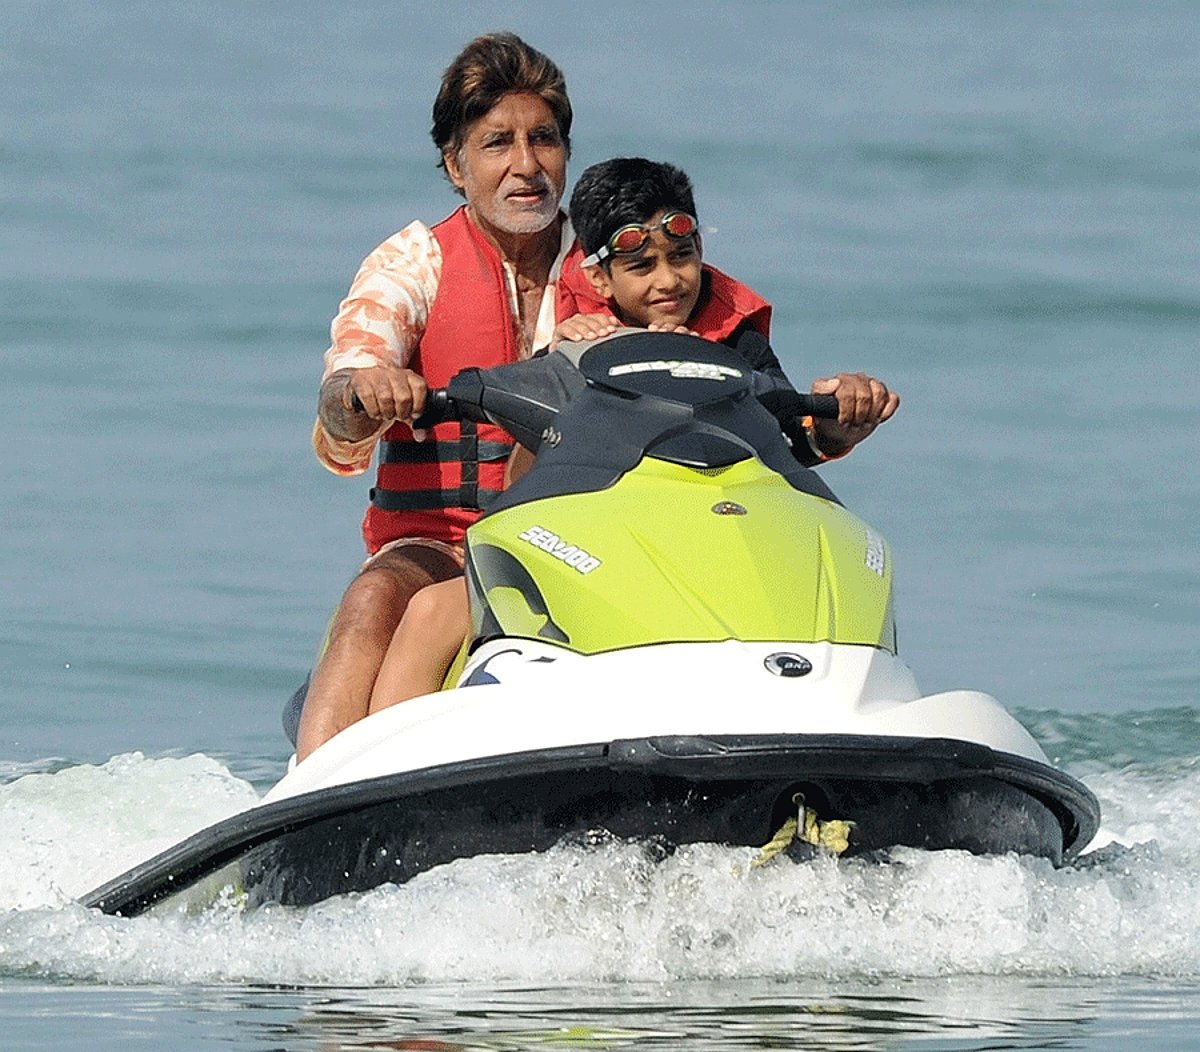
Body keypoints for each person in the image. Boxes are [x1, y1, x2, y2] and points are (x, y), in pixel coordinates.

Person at [363, 157, 899, 714]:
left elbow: (785, 442)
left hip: (714, 544)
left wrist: (840, 424)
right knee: (434, 612)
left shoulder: (735, 344)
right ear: (599, 278)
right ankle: (373, 771)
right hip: (595, 550)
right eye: (641, 266)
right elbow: (525, 476)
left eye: (681, 258)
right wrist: (558, 360)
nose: (667, 281)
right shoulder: (574, 342)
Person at [294, 32, 577, 762]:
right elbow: (341, 397)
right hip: (440, 545)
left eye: (543, 139)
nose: (525, 165)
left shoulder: (609, 267)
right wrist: (364, 390)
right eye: (496, 144)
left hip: (586, 539)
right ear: (456, 165)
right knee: (372, 599)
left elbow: (701, 355)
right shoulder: (412, 262)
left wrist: (819, 422)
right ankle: (309, 792)